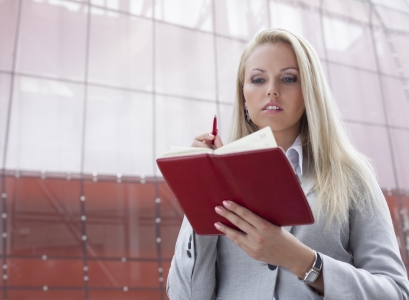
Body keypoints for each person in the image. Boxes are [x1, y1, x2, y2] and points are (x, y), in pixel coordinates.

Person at [166, 28, 409, 299]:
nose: (272, 90)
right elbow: (185, 295)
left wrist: (303, 261)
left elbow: (395, 292)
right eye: (258, 79)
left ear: (309, 92)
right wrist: (199, 193)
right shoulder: (217, 176)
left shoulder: (350, 175)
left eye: (289, 78)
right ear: (244, 96)